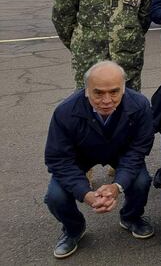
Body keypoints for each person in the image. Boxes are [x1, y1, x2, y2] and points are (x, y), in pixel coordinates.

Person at [44, 61, 154, 259]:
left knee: (141, 180)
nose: (107, 100)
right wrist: (85, 193)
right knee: (55, 196)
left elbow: (138, 150)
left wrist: (117, 186)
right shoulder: (65, 112)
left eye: (114, 92)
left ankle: (131, 217)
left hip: (121, 152)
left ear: (124, 88)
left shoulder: (140, 105)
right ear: (86, 90)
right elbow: (58, 159)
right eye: (98, 93)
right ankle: (74, 229)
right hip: (81, 155)